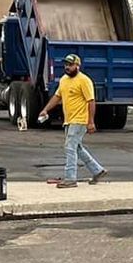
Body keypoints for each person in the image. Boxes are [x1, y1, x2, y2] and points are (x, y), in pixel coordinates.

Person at [38, 53, 107, 186]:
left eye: (70, 65)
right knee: (77, 148)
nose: (67, 67)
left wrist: (91, 121)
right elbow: (57, 97)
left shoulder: (84, 80)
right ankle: (97, 170)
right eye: (66, 64)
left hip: (80, 120)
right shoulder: (64, 80)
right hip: (69, 120)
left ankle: (70, 179)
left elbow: (91, 101)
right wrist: (45, 109)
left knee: (70, 147)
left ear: (77, 65)